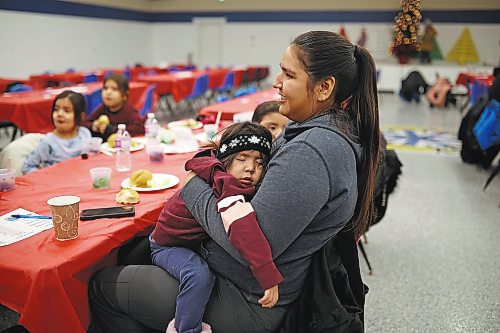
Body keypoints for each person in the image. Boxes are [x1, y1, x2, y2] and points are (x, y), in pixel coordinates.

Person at [88, 30, 381, 333]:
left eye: (288, 74)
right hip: (248, 282)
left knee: (101, 285)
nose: (276, 83)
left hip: (247, 299)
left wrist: (193, 187)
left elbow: (251, 245)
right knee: (136, 253)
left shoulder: (312, 151)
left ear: (324, 88)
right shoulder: (320, 135)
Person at [150, 121, 280, 333]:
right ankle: (186, 329)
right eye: (242, 159)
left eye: (259, 162)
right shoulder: (225, 184)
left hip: (191, 242)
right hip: (167, 246)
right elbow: (242, 228)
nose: (251, 168)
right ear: (226, 160)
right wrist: (267, 275)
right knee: (198, 275)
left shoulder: (220, 171)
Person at [22, 91, 91, 174]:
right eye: (56, 109)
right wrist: (44, 177)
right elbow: (27, 167)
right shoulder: (48, 142)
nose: (59, 114)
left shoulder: (85, 134)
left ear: (81, 116)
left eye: (66, 110)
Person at [84, 73, 144, 141]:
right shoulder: (102, 108)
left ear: (124, 95)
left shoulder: (130, 111)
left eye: (114, 89)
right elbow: (86, 123)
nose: (108, 92)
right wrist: (93, 125)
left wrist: (112, 129)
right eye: (105, 88)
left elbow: (138, 129)